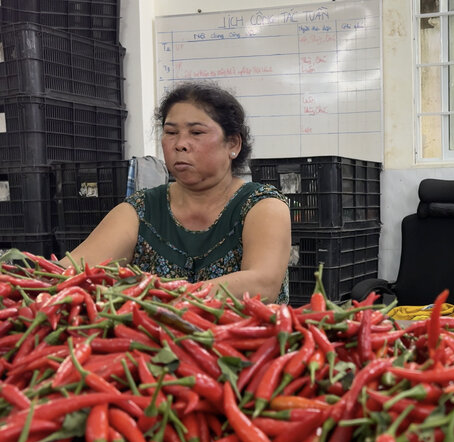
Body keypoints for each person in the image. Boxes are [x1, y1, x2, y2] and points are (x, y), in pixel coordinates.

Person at [66, 81, 292, 303]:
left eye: (196, 132)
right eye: (171, 132)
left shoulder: (262, 206)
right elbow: (73, 270)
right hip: (157, 339)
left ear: (233, 144)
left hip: (244, 339)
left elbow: (262, 284)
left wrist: (162, 297)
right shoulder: (142, 209)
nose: (180, 144)